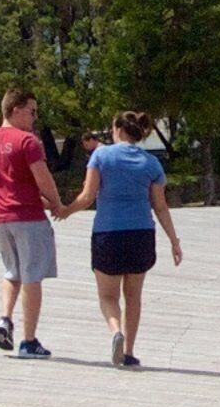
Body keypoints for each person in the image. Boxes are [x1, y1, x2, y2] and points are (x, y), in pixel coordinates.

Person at [72, 110, 179, 369]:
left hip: (108, 234)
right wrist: (174, 241)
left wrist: (64, 210)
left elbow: (87, 197)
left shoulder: (101, 155)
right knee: (134, 296)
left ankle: (115, 331)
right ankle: (129, 351)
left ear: (118, 129)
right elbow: (161, 206)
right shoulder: (151, 163)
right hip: (141, 234)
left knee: (108, 296)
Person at [0, 89, 69, 358]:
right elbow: (41, 177)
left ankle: (4, 318)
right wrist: (56, 202)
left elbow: (7, 181)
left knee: (12, 271)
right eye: (32, 111)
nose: (35, 117)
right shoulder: (27, 142)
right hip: (28, 217)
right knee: (33, 276)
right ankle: (28, 341)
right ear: (16, 109)